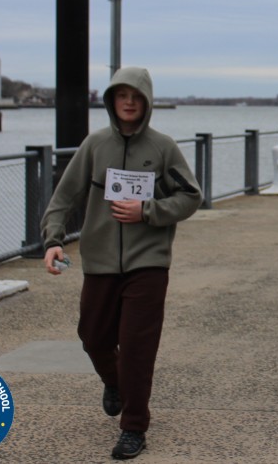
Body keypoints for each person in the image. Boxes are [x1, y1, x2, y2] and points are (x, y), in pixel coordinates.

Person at [41, 67, 202, 460]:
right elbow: (64, 197)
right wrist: (53, 240)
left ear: (146, 102)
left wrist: (147, 211)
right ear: (111, 100)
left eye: (136, 96)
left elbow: (190, 196)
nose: (129, 102)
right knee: (93, 337)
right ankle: (113, 382)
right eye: (121, 95)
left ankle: (134, 427)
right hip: (99, 262)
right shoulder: (95, 145)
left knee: (136, 349)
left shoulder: (162, 147)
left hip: (148, 263)